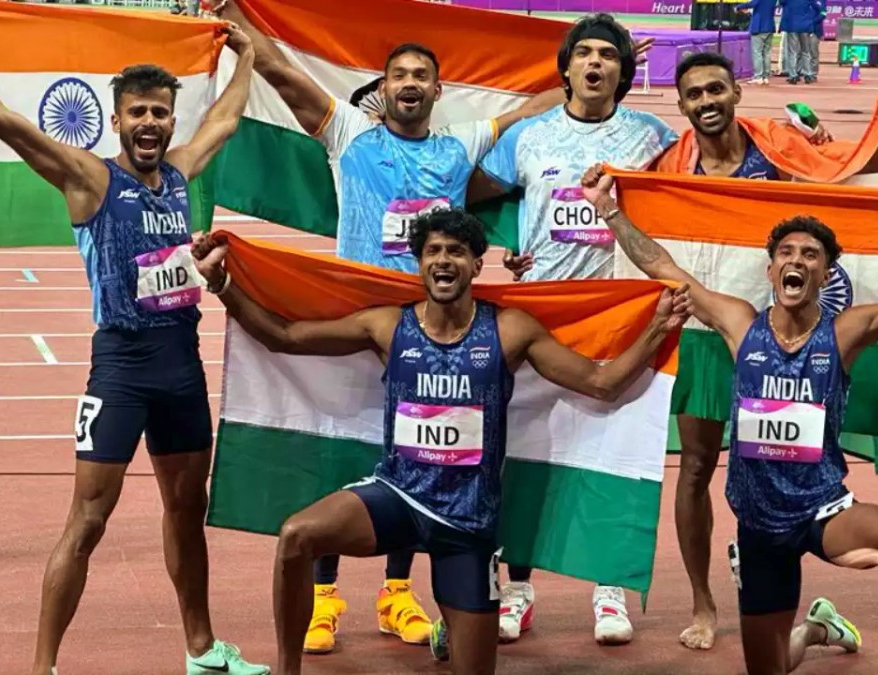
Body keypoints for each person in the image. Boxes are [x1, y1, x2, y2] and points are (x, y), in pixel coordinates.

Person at [218, 1, 641, 653]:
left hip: (436, 329)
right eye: (400, 75)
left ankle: (397, 592)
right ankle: (324, 599)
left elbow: (536, 114)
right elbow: (285, 76)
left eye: (421, 75)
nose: (410, 83)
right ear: (383, 88)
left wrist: (600, 69)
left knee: (423, 454)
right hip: (365, 323)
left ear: (438, 91)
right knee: (347, 453)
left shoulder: (461, 144)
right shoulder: (349, 133)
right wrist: (235, 20)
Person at [0, 1, 269, 673]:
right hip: (121, 369)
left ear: (171, 119)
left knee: (188, 509)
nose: (151, 122)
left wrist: (249, 56)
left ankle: (202, 650)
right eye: (138, 112)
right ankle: (43, 666)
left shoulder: (180, 174)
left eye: (161, 112)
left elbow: (225, 120)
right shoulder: (89, 178)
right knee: (89, 519)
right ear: (117, 119)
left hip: (181, 367)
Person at [191, 207, 689, 675]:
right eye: (433, 251)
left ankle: (450, 626)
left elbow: (601, 384)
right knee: (297, 536)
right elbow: (285, 336)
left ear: (476, 265)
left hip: (466, 523)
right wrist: (222, 284)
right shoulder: (389, 325)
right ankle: (289, 669)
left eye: (456, 251)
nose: (443, 260)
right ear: (420, 263)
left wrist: (657, 329)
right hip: (399, 495)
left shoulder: (509, 330)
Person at [583, 164, 878, 674]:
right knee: (770, 666)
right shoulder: (740, 324)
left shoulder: (844, 333)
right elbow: (663, 266)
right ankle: (819, 628)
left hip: (822, 511)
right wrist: (607, 207)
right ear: (771, 271)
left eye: (810, 255)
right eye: (786, 253)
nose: (796, 260)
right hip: (758, 524)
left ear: (825, 274)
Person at [642, 50, 878, 651]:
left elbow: (854, 171)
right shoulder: (670, 165)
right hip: (709, 329)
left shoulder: (778, 148)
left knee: (785, 453)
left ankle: (775, 555)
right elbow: (643, 235)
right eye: (694, 94)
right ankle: (703, 602)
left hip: (777, 334)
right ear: (681, 105)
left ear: (736, 92)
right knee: (695, 467)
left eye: (716, 89)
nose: (707, 102)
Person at [465, 12, 678, 645]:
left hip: (619, 315)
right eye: (583, 53)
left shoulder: (654, 137)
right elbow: (469, 192)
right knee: (523, 455)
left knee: (612, 454)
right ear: (565, 68)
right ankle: (517, 588)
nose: (594, 63)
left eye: (607, 55)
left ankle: (608, 590)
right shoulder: (529, 137)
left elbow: (699, 193)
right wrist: (510, 244)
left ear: (623, 71)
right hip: (540, 315)